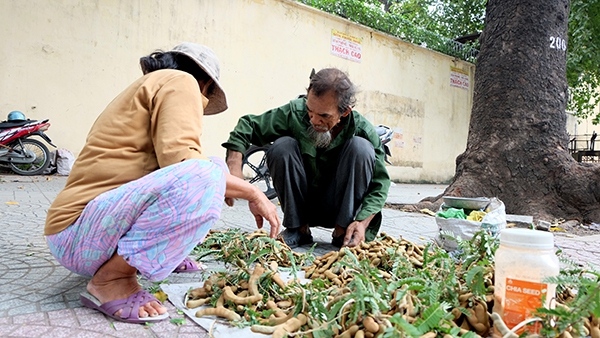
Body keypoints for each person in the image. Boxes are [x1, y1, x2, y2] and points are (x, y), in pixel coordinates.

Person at [44, 42, 280, 324]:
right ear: (204, 84)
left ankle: (160, 255)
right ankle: (112, 279)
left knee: (210, 167)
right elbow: (183, 165)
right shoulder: (182, 82)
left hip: (84, 234)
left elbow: (160, 168)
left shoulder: (150, 86)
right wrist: (253, 191)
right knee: (204, 175)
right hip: (79, 236)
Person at [222, 68, 390, 249]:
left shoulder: (363, 129)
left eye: (324, 116)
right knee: (281, 147)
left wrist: (363, 222)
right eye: (310, 111)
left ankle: (343, 231)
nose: (314, 120)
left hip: (339, 207)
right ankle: (298, 229)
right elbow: (248, 126)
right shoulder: (295, 112)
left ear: (345, 113)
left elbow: (380, 183)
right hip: (302, 205)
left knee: (361, 148)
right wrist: (234, 169)